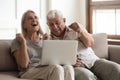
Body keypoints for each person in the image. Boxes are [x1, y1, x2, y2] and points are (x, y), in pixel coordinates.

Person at [46, 9, 120, 80]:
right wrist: (68, 62)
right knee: (86, 76)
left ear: (64, 20)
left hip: (92, 61)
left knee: (116, 69)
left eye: (57, 23)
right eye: (51, 24)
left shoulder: (75, 29)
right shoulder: (48, 40)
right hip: (75, 67)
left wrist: (80, 31)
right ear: (47, 25)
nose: (55, 27)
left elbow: (90, 43)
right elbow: (50, 62)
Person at [11, 10, 75, 80]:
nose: (34, 20)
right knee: (56, 68)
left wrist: (48, 43)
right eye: (30, 18)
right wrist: (23, 43)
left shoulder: (45, 40)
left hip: (46, 68)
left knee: (68, 68)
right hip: (29, 71)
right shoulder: (18, 41)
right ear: (24, 24)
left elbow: (53, 60)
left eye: (36, 17)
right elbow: (24, 65)